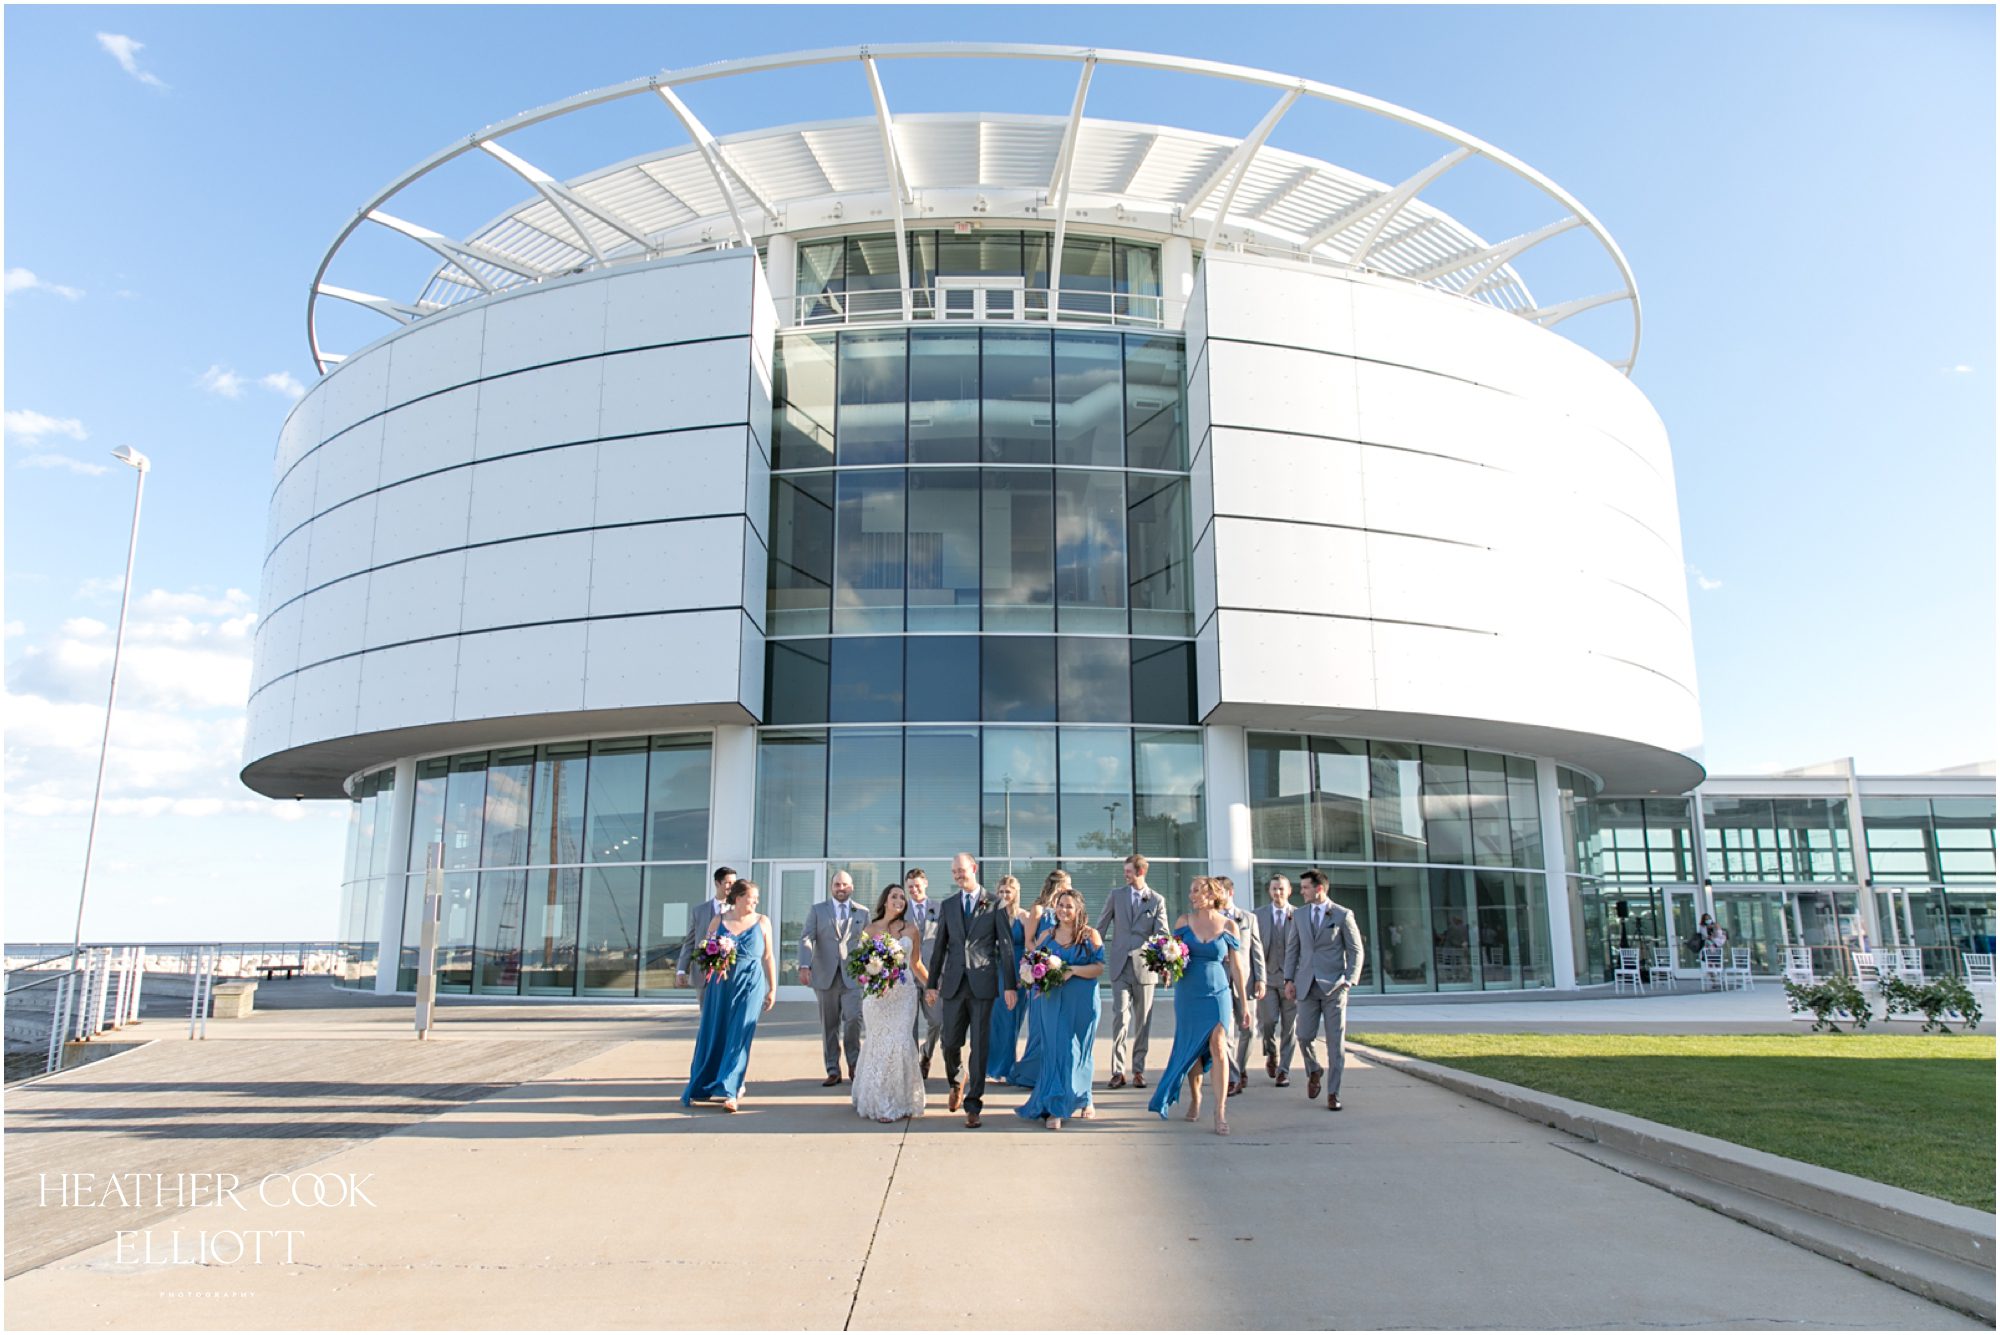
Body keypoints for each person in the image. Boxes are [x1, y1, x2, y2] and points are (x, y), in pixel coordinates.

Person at [923, 852, 1019, 1128]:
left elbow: (1006, 948)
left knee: (980, 1045)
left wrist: (1010, 985)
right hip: (953, 984)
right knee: (950, 1042)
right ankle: (956, 1079)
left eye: (961, 870)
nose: (957, 875)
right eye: (954, 872)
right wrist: (932, 984)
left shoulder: (995, 903)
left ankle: (974, 1104)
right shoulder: (949, 905)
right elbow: (940, 946)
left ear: (974, 869)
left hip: (982, 984)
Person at [1147, 877, 1248, 1135]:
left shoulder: (1229, 925)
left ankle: (1220, 1109)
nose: (1191, 895)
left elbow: (1236, 967)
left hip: (1218, 992)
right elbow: (1173, 953)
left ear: (1211, 894)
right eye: (1191, 891)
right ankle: (1195, 1097)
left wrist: (1244, 1004)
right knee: (1193, 1047)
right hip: (1189, 992)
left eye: (1196, 891)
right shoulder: (1184, 922)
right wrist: (1166, 968)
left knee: (1218, 1044)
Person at [680, 879, 776, 1112]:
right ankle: (704, 1083)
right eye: (751, 897)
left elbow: (768, 957)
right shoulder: (719, 920)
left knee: (740, 1034)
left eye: (756, 898)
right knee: (716, 1032)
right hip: (720, 985)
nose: (755, 901)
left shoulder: (762, 922)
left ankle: (731, 1091)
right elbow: (704, 951)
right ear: (738, 897)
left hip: (750, 984)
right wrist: (713, 957)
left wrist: (772, 988)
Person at [1015, 886, 1105, 1130]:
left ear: (1078, 910)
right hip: (1051, 1000)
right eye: (1060, 905)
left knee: (1081, 1050)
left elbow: (1098, 968)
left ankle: (1084, 1097)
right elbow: (1033, 962)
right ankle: (1055, 1106)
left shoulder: (1090, 935)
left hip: (1083, 1000)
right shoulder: (1046, 936)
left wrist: (1072, 970)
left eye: (1069, 906)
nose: (1064, 910)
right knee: (1057, 1050)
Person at [1284, 868, 1365, 1112]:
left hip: (1334, 988)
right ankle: (1314, 1070)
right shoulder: (1299, 915)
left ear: (1319, 888)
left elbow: (1356, 950)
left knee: (1334, 1043)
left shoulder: (1342, 915)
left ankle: (1333, 1093)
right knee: (1304, 1036)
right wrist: (1289, 979)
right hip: (1306, 986)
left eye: (1305, 887)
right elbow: (1293, 949)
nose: (1301, 891)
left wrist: (1349, 980)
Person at [851, 882, 929, 1123]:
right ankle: (880, 1100)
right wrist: (873, 977)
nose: (899, 900)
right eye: (894, 896)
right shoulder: (870, 929)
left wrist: (933, 986)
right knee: (879, 1042)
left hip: (904, 994)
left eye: (902, 898)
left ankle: (902, 1099)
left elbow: (915, 964)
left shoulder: (911, 929)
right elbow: (860, 965)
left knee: (901, 1042)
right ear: (885, 901)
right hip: (877, 997)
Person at [1097, 853, 1169, 1089]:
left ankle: (1139, 1069)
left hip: (1146, 968)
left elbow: (1162, 935)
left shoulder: (1156, 900)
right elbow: (1101, 925)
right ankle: (1118, 1071)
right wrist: (1091, 950)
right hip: (1119, 965)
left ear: (1140, 872)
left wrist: (1166, 964)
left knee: (1143, 1021)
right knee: (1120, 1018)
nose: (1124, 875)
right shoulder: (1116, 896)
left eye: (1128, 871)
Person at [798, 870, 864, 1086]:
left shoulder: (862, 912)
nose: (841, 888)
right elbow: (807, 937)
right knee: (830, 1025)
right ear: (831, 887)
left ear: (852, 887)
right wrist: (804, 965)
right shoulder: (818, 910)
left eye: (845, 884)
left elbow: (869, 942)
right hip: (825, 975)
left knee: (854, 1019)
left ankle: (855, 1064)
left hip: (853, 977)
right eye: (837, 884)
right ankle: (833, 1069)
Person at [1010, 870, 1069, 1087]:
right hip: (1041, 972)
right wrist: (1041, 962)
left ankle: (1053, 1070)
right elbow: (1028, 941)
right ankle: (1032, 1072)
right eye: (1067, 885)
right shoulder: (1038, 909)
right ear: (1059, 886)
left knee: (1057, 1023)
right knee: (1038, 1024)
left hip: (1061, 972)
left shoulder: (1066, 911)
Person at [1215, 876, 1266, 1098]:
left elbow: (1256, 950)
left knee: (1249, 1030)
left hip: (1244, 981)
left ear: (1230, 893)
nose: (1216, 896)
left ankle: (1240, 1067)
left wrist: (1261, 978)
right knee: (1224, 1033)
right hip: (1220, 981)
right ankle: (1233, 1076)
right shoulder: (1212, 919)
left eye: (1220, 892)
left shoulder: (1248, 918)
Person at [984, 875, 1032, 1085]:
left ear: (1015, 894)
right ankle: (992, 1067)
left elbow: (1031, 946)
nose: (1004, 895)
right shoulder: (992, 914)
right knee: (996, 1020)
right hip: (997, 972)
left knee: (1012, 1019)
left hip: (1018, 972)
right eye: (1001, 891)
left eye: (1008, 892)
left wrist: (1027, 975)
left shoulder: (1024, 917)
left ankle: (1007, 1067)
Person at [1256, 874, 1299, 1087]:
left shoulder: (1300, 915)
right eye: (1274, 889)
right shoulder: (1258, 916)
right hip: (1267, 979)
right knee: (1268, 1021)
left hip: (1292, 981)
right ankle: (1271, 1052)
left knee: (1289, 1028)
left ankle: (1284, 1070)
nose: (1278, 893)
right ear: (1269, 891)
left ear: (1289, 891)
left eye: (1281, 889)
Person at [904, 868, 943, 1079]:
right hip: (907, 978)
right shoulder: (901, 911)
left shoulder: (940, 909)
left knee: (937, 1020)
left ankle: (926, 1054)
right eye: (910, 886)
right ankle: (911, 1069)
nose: (914, 889)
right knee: (909, 1025)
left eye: (917, 885)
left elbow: (947, 943)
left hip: (932, 977)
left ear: (925, 883)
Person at [674, 866, 738, 992]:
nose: (732, 886)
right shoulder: (699, 911)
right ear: (717, 883)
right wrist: (681, 970)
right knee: (705, 1012)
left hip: (730, 974)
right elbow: (690, 943)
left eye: (734, 883)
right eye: (728, 883)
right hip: (703, 975)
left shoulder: (738, 911)